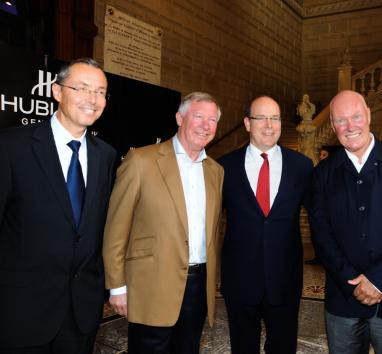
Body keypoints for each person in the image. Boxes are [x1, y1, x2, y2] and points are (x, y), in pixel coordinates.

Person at [0, 58, 117, 353]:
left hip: (81, 314)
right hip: (21, 312)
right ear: (56, 91)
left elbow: (98, 228)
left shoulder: (106, 156)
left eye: (101, 92)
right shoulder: (12, 147)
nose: (93, 99)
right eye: (82, 88)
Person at [102, 92, 224, 354]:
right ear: (180, 118)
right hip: (151, 284)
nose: (206, 125)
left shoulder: (215, 171)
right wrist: (117, 286)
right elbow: (116, 229)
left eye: (212, 120)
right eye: (199, 117)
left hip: (198, 287)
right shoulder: (141, 161)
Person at [310, 90, 382, 354]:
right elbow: (321, 233)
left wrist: (377, 280)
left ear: (368, 116)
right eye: (341, 120)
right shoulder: (322, 174)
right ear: (332, 126)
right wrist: (350, 279)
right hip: (343, 297)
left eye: (356, 116)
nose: (350, 126)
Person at [219, 96, 313, 353]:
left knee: (283, 347)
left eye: (275, 118)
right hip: (239, 281)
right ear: (248, 123)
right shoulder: (223, 167)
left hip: (284, 280)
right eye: (262, 118)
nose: (269, 125)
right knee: (243, 347)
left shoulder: (301, 166)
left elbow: (322, 217)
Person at [305, 147, 330, 265]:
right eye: (320, 155)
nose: (321, 157)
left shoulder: (332, 170)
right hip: (315, 210)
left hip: (328, 211)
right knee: (316, 236)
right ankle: (318, 258)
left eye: (324, 155)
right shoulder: (316, 169)